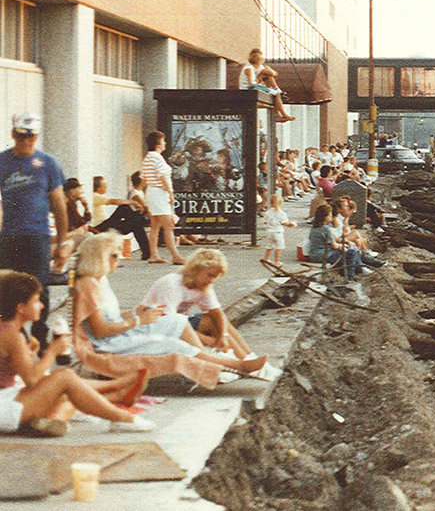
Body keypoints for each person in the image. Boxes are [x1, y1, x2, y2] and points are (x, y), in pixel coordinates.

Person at [73, 234, 266, 373]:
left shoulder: (100, 280)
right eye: (113, 256)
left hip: (119, 332)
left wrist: (134, 312)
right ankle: (231, 365)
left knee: (176, 320)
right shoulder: (88, 284)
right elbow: (99, 331)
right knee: (171, 344)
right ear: (98, 258)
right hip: (109, 344)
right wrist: (138, 321)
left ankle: (220, 360)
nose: (119, 260)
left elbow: (109, 318)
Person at [0, 271, 154, 435]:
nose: (42, 306)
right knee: (64, 377)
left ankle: (54, 421)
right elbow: (31, 379)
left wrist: (29, 353)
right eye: (36, 301)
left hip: (8, 399)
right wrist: (52, 351)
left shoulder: (9, 329)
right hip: (5, 407)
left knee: (67, 391)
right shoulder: (12, 336)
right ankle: (123, 417)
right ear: (21, 308)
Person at [0, 113, 70, 349]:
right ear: (13, 134)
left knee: (39, 290)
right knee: (7, 290)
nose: (26, 141)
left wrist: (62, 242)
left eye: (31, 137)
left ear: (37, 137)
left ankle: (40, 339)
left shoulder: (47, 163)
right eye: (21, 136)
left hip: (37, 236)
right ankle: (12, 342)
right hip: (9, 236)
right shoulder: (2, 161)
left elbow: (59, 204)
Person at [143, 250, 259, 363]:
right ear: (195, 269)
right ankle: (237, 362)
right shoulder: (172, 283)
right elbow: (169, 323)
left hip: (177, 324)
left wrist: (223, 335)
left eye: (215, 277)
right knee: (209, 328)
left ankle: (247, 357)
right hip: (153, 327)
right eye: (210, 275)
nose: (211, 280)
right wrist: (208, 340)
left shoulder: (203, 284)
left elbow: (217, 313)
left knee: (213, 320)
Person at [141, 131, 186, 265]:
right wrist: (170, 193)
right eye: (163, 141)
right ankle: (175, 255)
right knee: (168, 225)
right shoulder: (157, 158)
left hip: (151, 191)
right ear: (158, 144)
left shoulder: (147, 158)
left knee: (155, 225)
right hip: (160, 193)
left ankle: (154, 255)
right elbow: (163, 177)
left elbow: (144, 178)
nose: (165, 143)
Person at [92, 176, 150, 260]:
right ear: (99, 188)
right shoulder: (95, 196)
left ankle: (147, 252)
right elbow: (114, 201)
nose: (106, 187)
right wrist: (133, 202)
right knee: (124, 208)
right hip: (98, 227)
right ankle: (147, 252)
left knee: (135, 223)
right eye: (105, 186)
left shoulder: (97, 196)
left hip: (105, 224)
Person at [309, 205, 363, 280]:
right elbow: (334, 245)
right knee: (352, 253)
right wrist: (342, 246)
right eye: (330, 215)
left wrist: (344, 244)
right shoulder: (326, 229)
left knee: (350, 251)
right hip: (323, 255)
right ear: (326, 216)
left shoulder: (315, 227)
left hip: (314, 254)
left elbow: (335, 240)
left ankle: (359, 270)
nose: (331, 217)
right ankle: (351, 276)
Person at [238, 48, 294, 122]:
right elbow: (251, 83)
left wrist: (259, 79)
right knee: (276, 93)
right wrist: (260, 85)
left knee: (271, 85)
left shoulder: (249, 67)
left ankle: (280, 113)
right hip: (249, 89)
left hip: (250, 87)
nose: (261, 65)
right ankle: (281, 114)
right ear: (258, 62)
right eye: (260, 63)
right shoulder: (249, 69)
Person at [261, 193, 295, 266]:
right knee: (278, 247)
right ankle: (277, 262)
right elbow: (284, 223)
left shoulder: (268, 212)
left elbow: (264, 221)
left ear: (270, 202)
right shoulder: (281, 213)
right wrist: (291, 224)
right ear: (280, 202)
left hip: (269, 232)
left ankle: (266, 259)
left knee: (269, 246)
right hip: (278, 232)